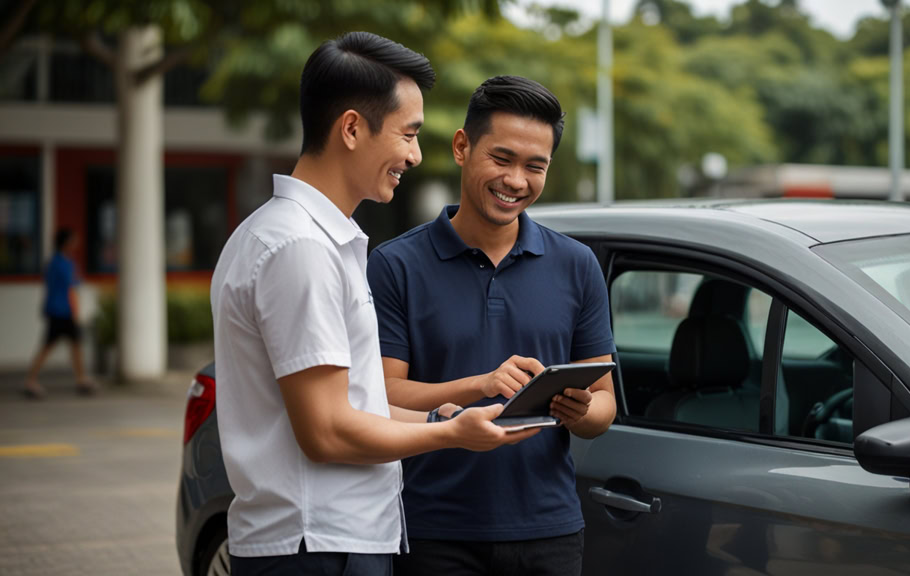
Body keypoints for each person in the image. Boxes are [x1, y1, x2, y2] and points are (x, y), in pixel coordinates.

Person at [211, 34, 538, 576]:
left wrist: (439, 414)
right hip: (316, 547)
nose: (415, 154)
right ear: (351, 128)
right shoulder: (300, 248)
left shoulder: (298, 237)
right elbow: (327, 431)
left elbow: (352, 403)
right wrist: (450, 434)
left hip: (325, 543)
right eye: (408, 134)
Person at [367, 75, 617, 576]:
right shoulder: (395, 265)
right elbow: (382, 396)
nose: (516, 181)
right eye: (502, 159)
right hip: (433, 530)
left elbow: (604, 405)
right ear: (462, 146)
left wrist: (580, 409)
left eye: (535, 166)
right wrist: (481, 384)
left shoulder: (577, 265)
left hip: (550, 530)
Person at [24, 228, 95, 398]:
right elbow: (71, 290)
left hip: (53, 309)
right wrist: (76, 313)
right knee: (60, 346)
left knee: (68, 345)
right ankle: (32, 380)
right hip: (65, 311)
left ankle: (81, 379)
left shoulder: (52, 263)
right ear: (66, 243)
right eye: (73, 241)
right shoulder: (66, 264)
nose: (76, 244)